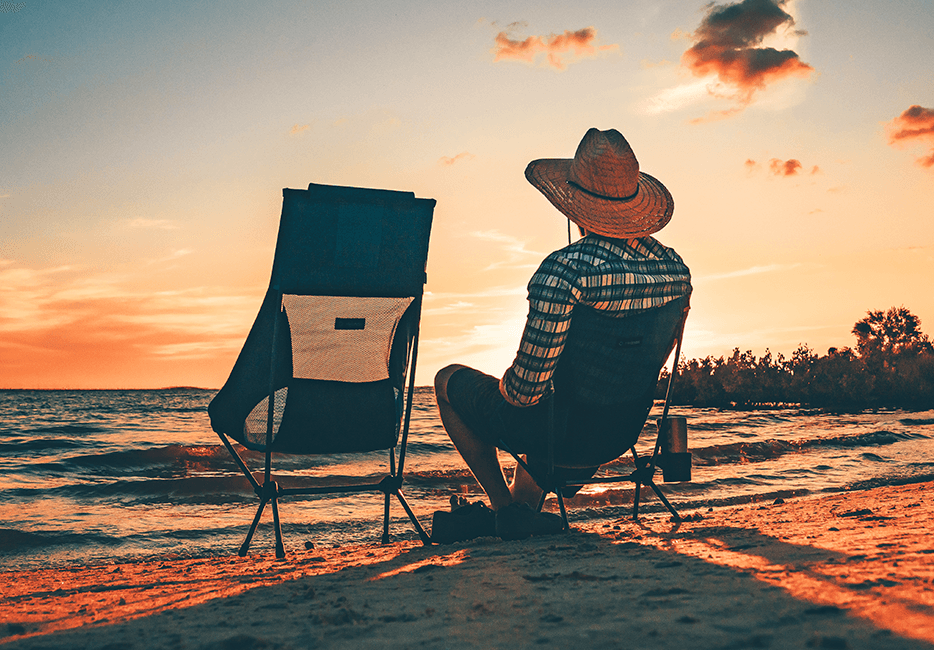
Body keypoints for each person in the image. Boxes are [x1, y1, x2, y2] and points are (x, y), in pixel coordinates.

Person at [433, 128, 692, 542]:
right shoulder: (676, 272)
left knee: (447, 380)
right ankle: (521, 508)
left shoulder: (565, 271)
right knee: (555, 410)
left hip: (565, 434)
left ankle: (504, 512)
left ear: (575, 208)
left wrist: (503, 386)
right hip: (620, 431)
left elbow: (522, 394)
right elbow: (655, 356)